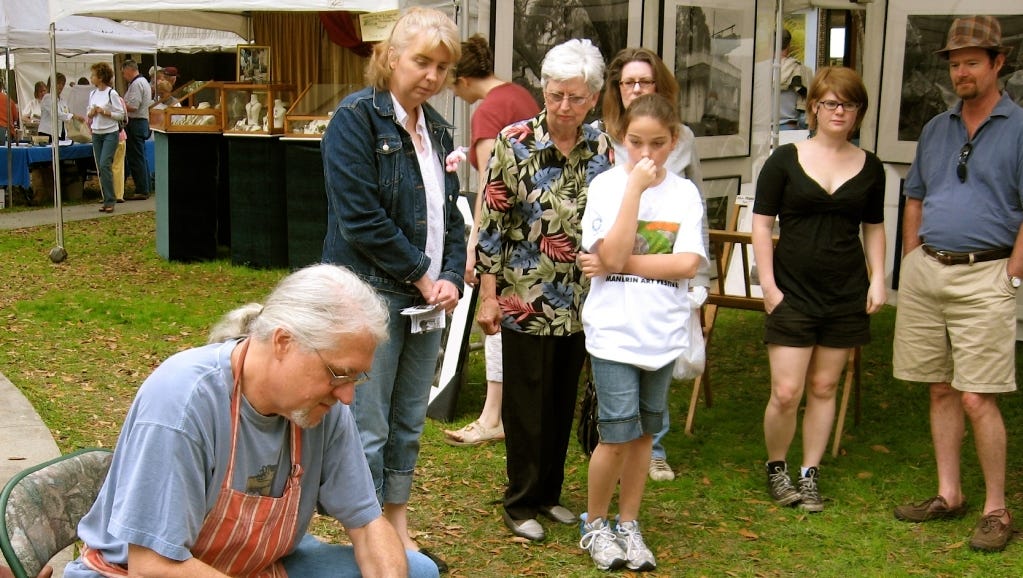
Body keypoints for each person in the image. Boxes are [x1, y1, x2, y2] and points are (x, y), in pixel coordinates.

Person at [63, 264, 438, 578]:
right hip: (137, 573)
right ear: (283, 343)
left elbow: (368, 524)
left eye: (356, 377)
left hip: (251, 565)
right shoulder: (184, 399)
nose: (347, 396)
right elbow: (152, 564)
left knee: (417, 571)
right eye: (339, 374)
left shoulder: (324, 406)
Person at [321, 7, 464, 574]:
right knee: (369, 423)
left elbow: (450, 215)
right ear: (392, 57)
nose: (431, 75)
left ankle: (396, 522)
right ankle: (368, 528)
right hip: (369, 294)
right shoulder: (355, 120)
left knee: (409, 417)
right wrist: (424, 273)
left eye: (443, 67)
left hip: (425, 298)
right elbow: (360, 218)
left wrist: (450, 275)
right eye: (421, 61)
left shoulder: (440, 128)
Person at [892, 15, 1023, 553]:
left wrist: (1014, 270)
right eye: (953, 62)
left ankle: (997, 508)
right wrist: (911, 256)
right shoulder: (936, 127)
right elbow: (916, 195)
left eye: (971, 61)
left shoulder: (1019, 126)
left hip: (988, 271)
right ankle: (950, 494)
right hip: (930, 269)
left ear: (998, 63)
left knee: (977, 397)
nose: (961, 70)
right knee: (940, 387)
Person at [475, 38, 613, 543]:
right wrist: (488, 295)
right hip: (524, 295)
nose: (563, 107)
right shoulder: (514, 141)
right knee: (526, 401)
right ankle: (520, 499)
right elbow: (492, 222)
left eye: (576, 98)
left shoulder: (603, 147)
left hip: (581, 299)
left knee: (561, 398)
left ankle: (550, 493)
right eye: (556, 95)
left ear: (593, 98)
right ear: (544, 90)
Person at [577, 93, 706, 572]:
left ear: (675, 141)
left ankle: (629, 523)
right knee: (615, 434)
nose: (647, 155)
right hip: (613, 333)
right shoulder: (608, 188)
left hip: (663, 334)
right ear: (620, 139)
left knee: (645, 435)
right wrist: (633, 190)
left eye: (658, 144)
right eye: (636, 142)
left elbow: (687, 263)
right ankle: (596, 524)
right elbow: (604, 254)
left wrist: (618, 262)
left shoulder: (685, 194)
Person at [752, 66, 886, 512]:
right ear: (813, 107)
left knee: (825, 387)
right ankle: (777, 467)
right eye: (830, 102)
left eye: (848, 104)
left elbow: (874, 227)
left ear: (858, 113)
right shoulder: (784, 161)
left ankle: (809, 474)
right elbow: (761, 224)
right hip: (791, 291)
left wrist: (880, 277)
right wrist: (768, 287)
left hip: (845, 292)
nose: (839, 111)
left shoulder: (871, 166)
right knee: (787, 392)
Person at [600, 46, 709, 483]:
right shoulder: (602, 137)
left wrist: (698, 275)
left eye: (645, 81)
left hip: (660, 275)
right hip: (615, 287)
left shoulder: (682, 141)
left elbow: (694, 226)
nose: (637, 88)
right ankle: (610, 443)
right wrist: (605, 258)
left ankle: (654, 447)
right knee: (616, 365)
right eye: (629, 82)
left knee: (658, 362)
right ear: (617, 89)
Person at [443, 33, 540, 447]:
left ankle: (492, 415)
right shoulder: (523, 96)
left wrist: (473, 246)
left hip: (505, 234)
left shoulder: (487, 112)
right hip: (538, 231)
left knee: (495, 315)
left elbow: (489, 187)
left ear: (463, 78)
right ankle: (507, 411)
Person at [86, 62, 125, 213]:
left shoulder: (111, 93)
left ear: (101, 77)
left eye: (93, 75)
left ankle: (110, 199)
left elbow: (120, 114)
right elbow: (89, 111)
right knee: (100, 166)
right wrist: (92, 112)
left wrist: (105, 112)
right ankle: (106, 197)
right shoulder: (93, 94)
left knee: (104, 164)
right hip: (97, 132)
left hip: (110, 132)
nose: (91, 78)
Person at [120, 59, 152, 201]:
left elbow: (133, 106)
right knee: (140, 156)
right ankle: (145, 187)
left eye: (123, 73)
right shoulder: (142, 82)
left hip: (136, 122)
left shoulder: (137, 83)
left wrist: (118, 105)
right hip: (141, 122)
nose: (123, 76)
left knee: (136, 157)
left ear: (129, 70)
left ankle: (142, 189)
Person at [779, 28, 812, 131]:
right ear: (789, 45)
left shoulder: (758, 70)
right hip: (790, 127)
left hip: (759, 129)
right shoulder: (803, 71)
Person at [38, 73, 84, 143]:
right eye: (58, 83)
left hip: (60, 133)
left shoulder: (62, 100)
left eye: (63, 84)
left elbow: (66, 114)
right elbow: (57, 114)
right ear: (52, 84)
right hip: (47, 133)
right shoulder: (47, 97)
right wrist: (73, 116)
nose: (61, 86)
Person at [0, 79, 19, 144]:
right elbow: (15, 117)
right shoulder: (8, 99)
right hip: (6, 130)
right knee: (5, 152)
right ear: (1, 87)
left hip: (4, 130)